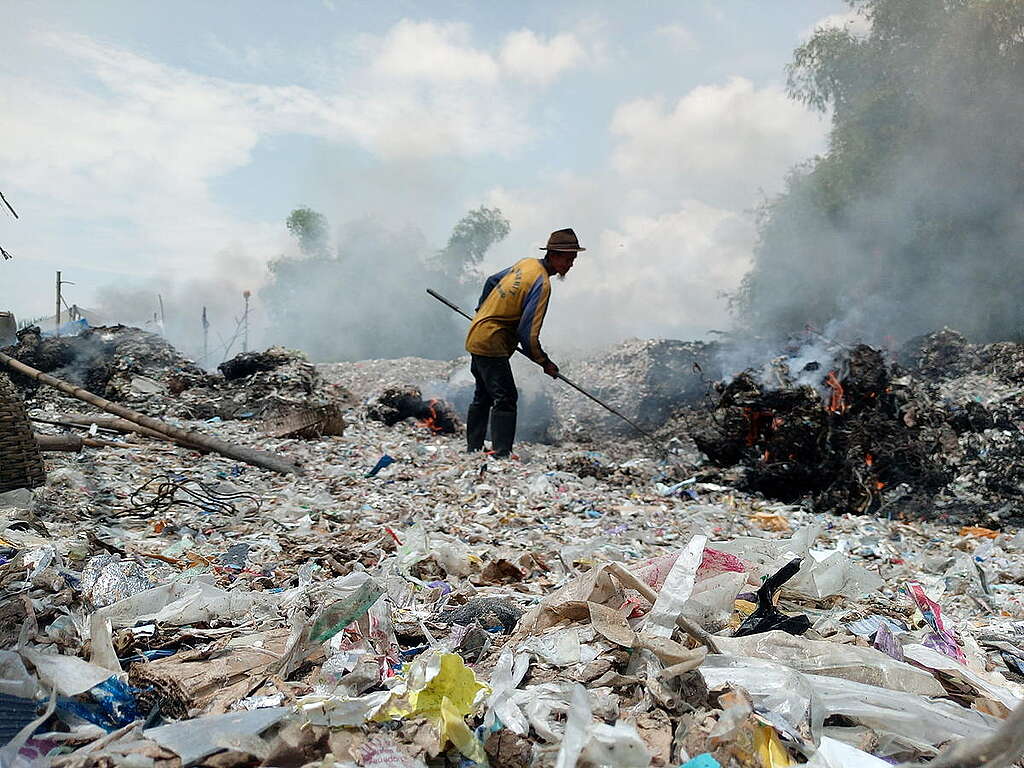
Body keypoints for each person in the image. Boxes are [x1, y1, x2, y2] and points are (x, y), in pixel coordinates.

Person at [464, 228, 585, 456]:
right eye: (568, 259)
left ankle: (474, 448)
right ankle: (501, 453)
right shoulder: (542, 285)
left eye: (573, 259)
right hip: (492, 342)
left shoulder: (526, 264)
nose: (570, 265)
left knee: (483, 394)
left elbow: (491, 281)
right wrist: (544, 362)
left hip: (477, 334)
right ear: (554, 255)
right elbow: (528, 334)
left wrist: (482, 310)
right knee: (506, 397)